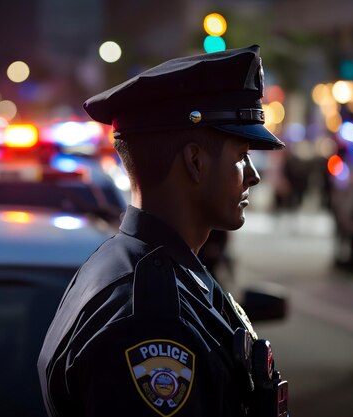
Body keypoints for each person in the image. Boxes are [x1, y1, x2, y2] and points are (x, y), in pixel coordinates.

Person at [37, 45, 289, 417]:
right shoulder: (153, 324)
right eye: (240, 157)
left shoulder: (123, 265)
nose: (252, 174)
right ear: (195, 161)